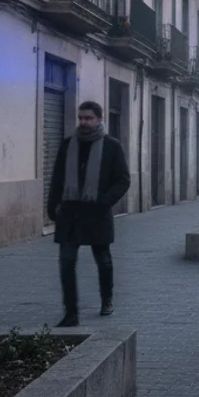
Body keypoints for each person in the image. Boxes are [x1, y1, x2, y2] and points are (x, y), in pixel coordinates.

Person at [47, 101, 131, 328]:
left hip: (97, 213)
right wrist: (52, 206)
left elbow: (123, 179)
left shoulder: (112, 147)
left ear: (99, 119)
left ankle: (107, 299)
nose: (83, 122)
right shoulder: (68, 145)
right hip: (70, 213)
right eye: (81, 118)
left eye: (88, 118)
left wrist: (105, 201)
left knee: (103, 260)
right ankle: (71, 312)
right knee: (66, 262)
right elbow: (57, 178)